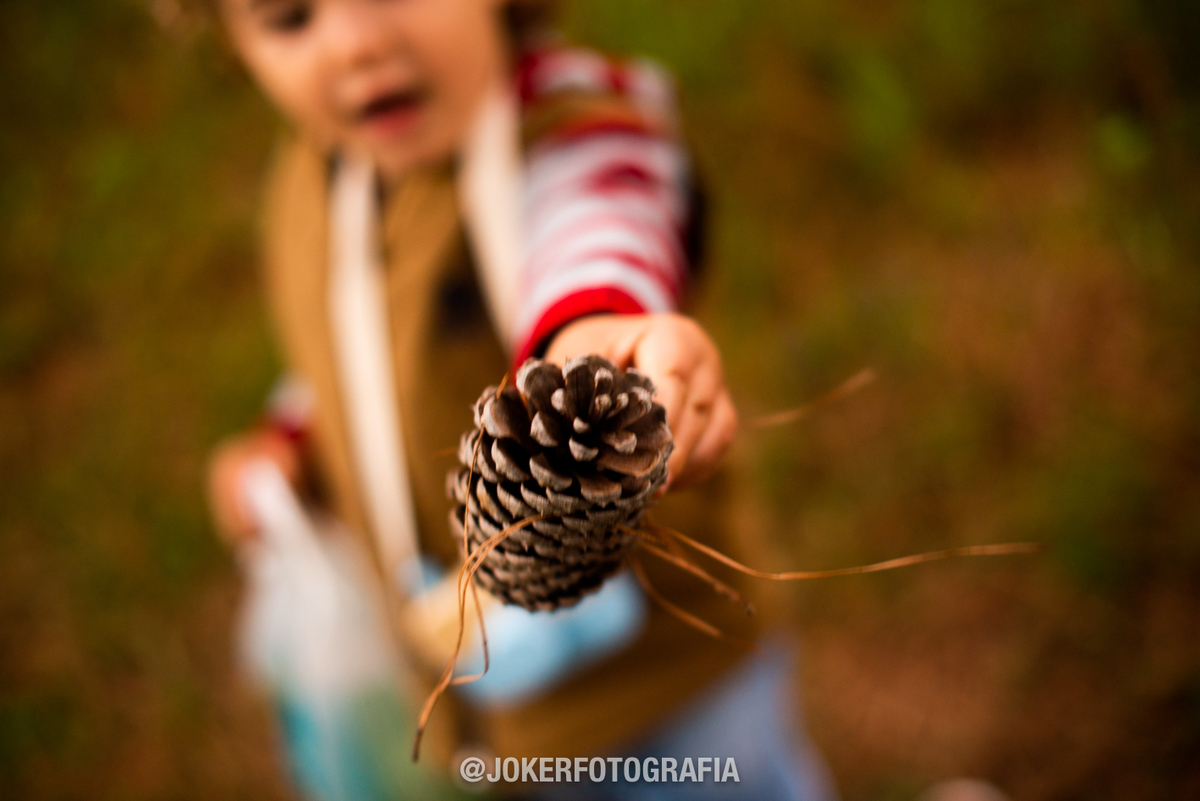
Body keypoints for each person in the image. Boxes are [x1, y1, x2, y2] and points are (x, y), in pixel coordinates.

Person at [204, 0, 836, 798]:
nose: (356, 45)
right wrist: (294, 440)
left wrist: (594, 340)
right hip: (493, 704)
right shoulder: (313, 182)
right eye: (290, 17)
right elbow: (353, 354)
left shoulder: (581, 130)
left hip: (665, 686)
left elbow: (599, 228)